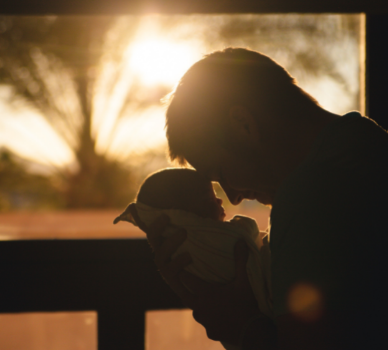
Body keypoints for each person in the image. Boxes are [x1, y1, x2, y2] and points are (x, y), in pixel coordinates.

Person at [131, 48, 388, 349]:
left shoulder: (309, 196)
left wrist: (236, 324)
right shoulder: (369, 147)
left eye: (221, 173)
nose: (233, 197)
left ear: (243, 124)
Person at [114, 168, 273, 350]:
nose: (225, 198)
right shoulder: (205, 242)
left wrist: (249, 328)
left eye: (224, 172)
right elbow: (248, 239)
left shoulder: (184, 249)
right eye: (208, 198)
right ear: (184, 218)